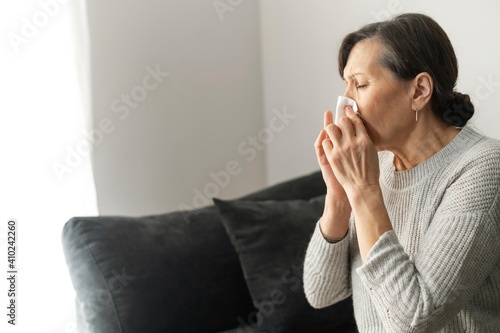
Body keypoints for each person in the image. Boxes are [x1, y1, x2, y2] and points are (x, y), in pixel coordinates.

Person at [303, 13, 500, 332]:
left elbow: (414, 319)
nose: (346, 104)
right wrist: (339, 196)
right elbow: (320, 293)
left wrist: (365, 192)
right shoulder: (376, 166)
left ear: (419, 90)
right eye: (346, 86)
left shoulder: (483, 168)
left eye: (361, 84)